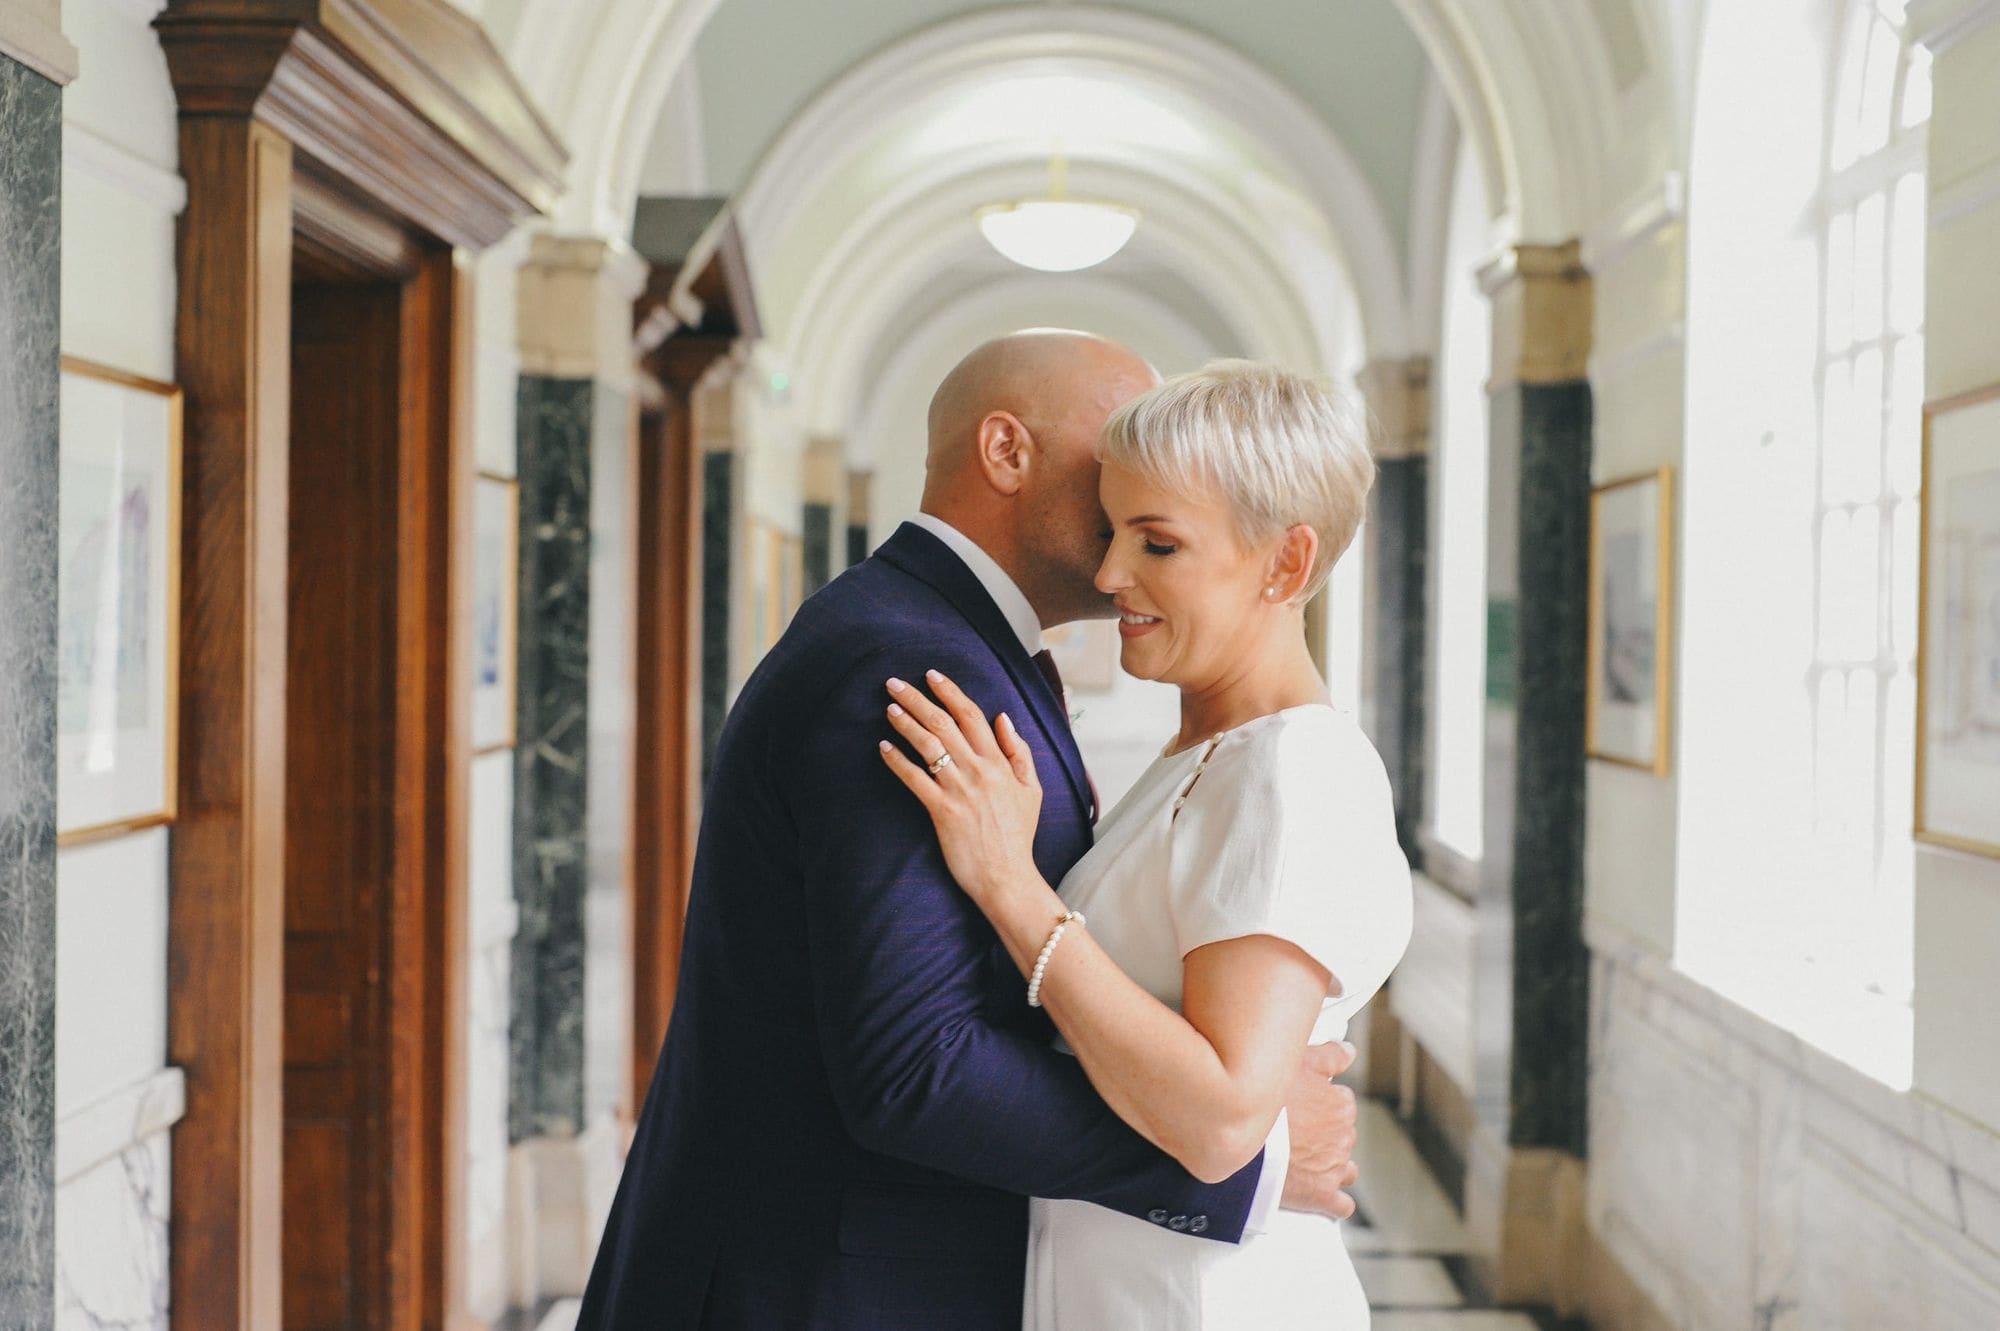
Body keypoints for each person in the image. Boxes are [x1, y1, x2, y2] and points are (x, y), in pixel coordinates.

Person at [574, 332, 1364, 1330]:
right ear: (1004, 451)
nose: (1134, 481)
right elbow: (917, 1067)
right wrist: (1248, 1156)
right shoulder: (902, 663)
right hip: (824, 1288)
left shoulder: (939, 638)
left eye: (1157, 528)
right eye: (1113, 447)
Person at [877, 359, 1412, 1328]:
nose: (1110, 573)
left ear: (1284, 565)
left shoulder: (1287, 770)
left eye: (1157, 542)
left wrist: (1008, 883)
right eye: (1112, 529)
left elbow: (1217, 1120)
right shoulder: (1206, 751)